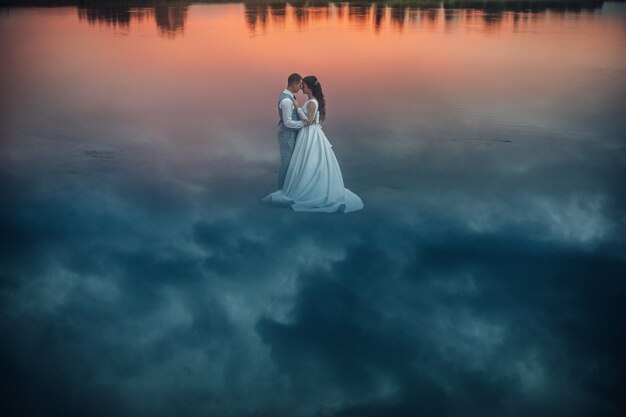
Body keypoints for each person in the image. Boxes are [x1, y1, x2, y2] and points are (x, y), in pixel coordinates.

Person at [263, 76, 364, 213]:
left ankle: (305, 188)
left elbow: (309, 121)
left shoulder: (311, 102)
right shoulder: (309, 100)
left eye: (303, 85)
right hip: (306, 134)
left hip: (309, 133)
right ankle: (297, 185)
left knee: (308, 161)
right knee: (304, 161)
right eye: (300, 85)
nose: (301, 88)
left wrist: (298, 108)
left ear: (309, 87)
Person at [275, 73, 305, 189]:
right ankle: (281, 191)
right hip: (286, 134)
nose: (301, 88)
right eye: (300, 85)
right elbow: (287, 122)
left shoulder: (289, 97)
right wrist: (303, 124)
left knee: (290, 163)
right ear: (294, 84)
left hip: (289, 134)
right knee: (286, 164)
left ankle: (287, 189)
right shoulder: (287, 101)